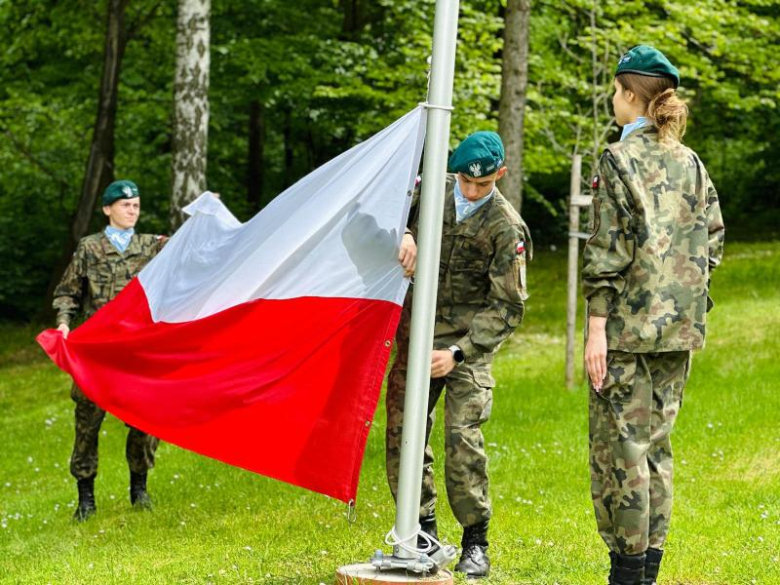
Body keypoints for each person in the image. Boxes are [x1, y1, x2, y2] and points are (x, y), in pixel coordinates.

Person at [582, 45, 725, 585]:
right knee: (657, 451)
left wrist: (596, 328)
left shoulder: (617, 160)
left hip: (625, 332)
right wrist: (686, 300)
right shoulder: (689, 160)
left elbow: (606, 254)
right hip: (678, 331)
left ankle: (627, 572)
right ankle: (649, 572)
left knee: (620, 453)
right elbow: (713, 237)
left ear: (630, 95)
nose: (612, 101)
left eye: (616, 92)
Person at [387, 132, 531, 578]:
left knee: (462, 438)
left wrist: (459, 352)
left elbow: (509, 306)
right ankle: (422, 531)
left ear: (499, 175)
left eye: (482, 185)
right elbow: (385, 209)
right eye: (465, 183)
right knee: (402, 434)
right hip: (417, 337)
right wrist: (406, 232)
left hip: (467, 346)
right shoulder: (428, 193)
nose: (471, 191)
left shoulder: (506, 227)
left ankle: (475, 540)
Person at [53, 180, 167, 521]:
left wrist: (205, 217)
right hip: (97, 352)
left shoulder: (151, 246)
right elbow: (67, 292)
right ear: (107, 209)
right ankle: (86, 499)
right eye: (125, 205)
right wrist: (63, 321)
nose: (132, 210)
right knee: (87, 421)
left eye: (136, 205)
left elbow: (195, 251)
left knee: (144, 421)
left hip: (135, 351)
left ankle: (139, 489)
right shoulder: (89, 248)